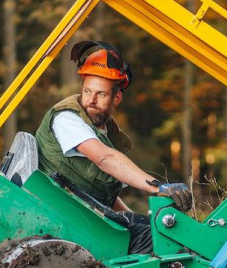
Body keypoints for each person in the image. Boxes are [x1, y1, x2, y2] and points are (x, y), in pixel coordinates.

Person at [35, 40, 192, 254]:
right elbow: (105, 159)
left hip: (84, 217)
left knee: (160, 231)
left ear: (116, 97)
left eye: (101, 94)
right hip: (70, 221)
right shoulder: (67, 119)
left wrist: (130, 218)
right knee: (171, 246)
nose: (90, 100)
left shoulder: (101, 131)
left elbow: (100, 193)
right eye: (87, 91)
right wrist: (158, 187)